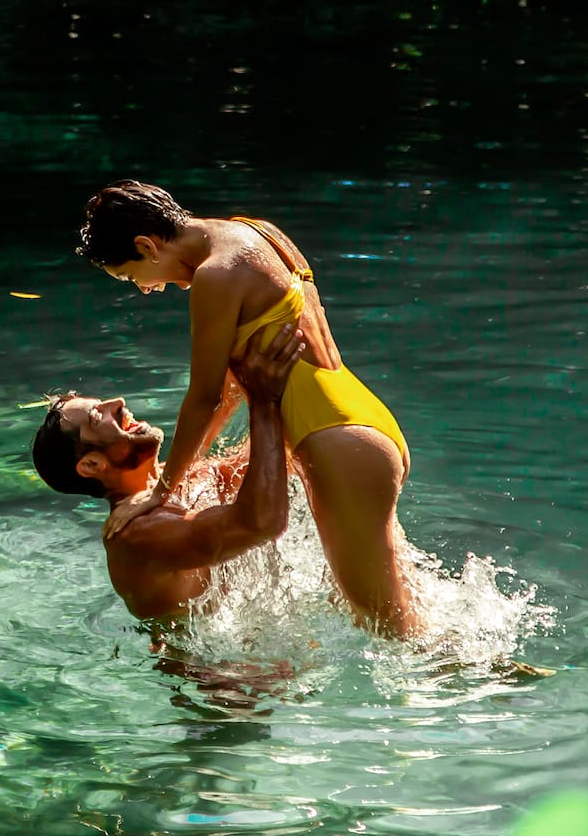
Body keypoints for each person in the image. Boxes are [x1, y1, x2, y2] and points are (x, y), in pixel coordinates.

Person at [76, 180, 418, 638]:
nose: (144, 289)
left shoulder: (216, 275)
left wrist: (162, 491)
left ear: (146, 245)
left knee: (389, 628)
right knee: (382, 601)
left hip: (338, 444)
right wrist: (185, 470)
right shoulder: (257, 231)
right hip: (360, 418)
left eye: (132, 275)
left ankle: (490, 681)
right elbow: (235, 387)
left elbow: (205, 397)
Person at [31, 323, 306, 622]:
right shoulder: (137, 537)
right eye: (99, 416)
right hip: (217, 667)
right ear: (92, 465)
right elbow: (263, 522)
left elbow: (270, 452)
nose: (119, 403)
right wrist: (265, 402)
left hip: (260, 644)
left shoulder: (174, 479)